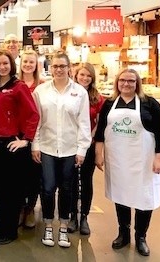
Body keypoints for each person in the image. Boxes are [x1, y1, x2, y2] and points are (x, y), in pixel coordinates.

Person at [95, 68, 160, 257]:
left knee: (144, 198)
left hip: (143, 161)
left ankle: (141, 237)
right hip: (118, 160)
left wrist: (159, 158)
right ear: (117, 83)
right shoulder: (110, 103)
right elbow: (101, 130)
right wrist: (99, 154)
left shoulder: (149, 104)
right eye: (123, 81)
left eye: (131, 81)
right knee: (121, 196)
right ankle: (123, 233)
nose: (126, 84)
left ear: (137, 84)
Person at [0, 50, 39, 245]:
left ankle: (9, 229)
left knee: (11, 190)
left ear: (11, 65)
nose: (2, 67)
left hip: (10, 145)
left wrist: (25, 140)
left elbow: (33, 115)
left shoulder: (19, 87)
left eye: (5, 63)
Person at [32, 52, 91, 248]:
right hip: (47, 147)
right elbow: (37, 121)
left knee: (67, 189)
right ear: (51, 68)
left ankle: (63, 226)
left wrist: (82, 149)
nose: (58, 69)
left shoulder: (80, 93)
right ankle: (48, 224)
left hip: (70, 149)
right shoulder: (41, 91)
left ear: (69, 68)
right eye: (55, 66)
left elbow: (84, 123)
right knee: (47, 188)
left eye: (62, 66)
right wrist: (36, 145)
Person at [67, 63, 105, 235]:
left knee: (86, 181)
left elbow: (99, 121)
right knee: (71, 181)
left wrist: (88, 138)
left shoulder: (97, 98)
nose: (85, 78)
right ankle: (72, 215)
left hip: (88, 144)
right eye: (82, 75)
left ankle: (84, 217)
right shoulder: (69, 93)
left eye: (88, 76)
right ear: (76, 75)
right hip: (70, 144)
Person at [18, 49, 44, 228]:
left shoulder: (42, 86)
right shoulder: (14, 83)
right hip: (16, 135)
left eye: (31, 62)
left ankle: (29, 209)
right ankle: (19, 207)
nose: (28, 65)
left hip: (37, 135)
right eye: (25, 61)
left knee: (34, 174)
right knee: (18, 174)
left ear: (36, 65)